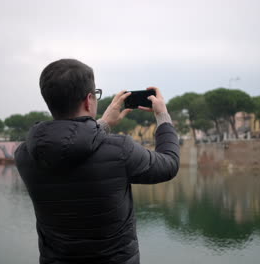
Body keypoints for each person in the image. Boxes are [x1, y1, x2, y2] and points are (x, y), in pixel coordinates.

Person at [15, 59, 180, 264]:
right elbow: (169, 164)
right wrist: (162, 116)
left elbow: (67, 146)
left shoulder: (25, 154)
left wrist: (103, 123)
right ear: (88, 100)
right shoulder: (120, 150)